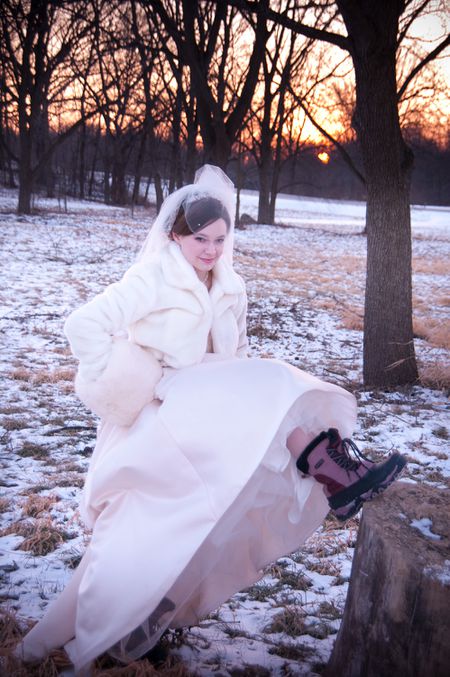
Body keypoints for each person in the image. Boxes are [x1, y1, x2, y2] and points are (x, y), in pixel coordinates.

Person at [13, 165, 406, 675]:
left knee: (206, 517)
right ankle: (332, 470)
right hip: (163, 405)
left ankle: (332, 473)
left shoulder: (230, 284)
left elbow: (236, 354)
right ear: (176, 235)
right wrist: (132, 375)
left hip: (210, 407)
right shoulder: (152, 278)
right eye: (200, 239)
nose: (212, 250)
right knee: (141, 530)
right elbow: (82, 326)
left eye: (220, 239)